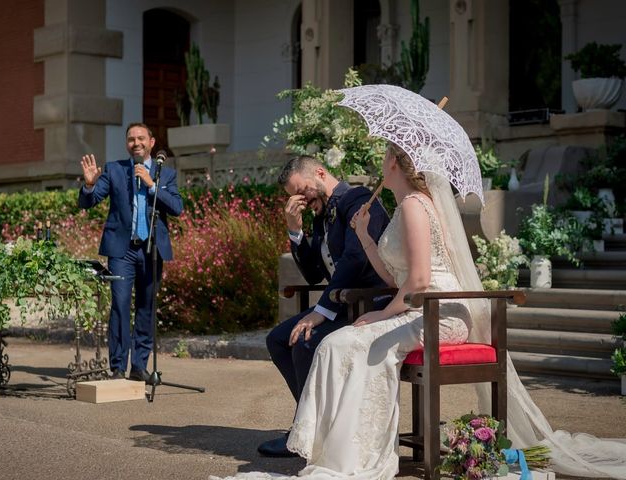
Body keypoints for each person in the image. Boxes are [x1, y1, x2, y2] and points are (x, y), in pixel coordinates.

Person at [212, 143, 626, 480]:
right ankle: (341, 442)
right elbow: (396, 276)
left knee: (343, 343)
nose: (379, 166)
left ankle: (356, 448)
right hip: (417, 305)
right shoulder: (406, 204)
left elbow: (420, 282)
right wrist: (366, 239)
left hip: (437, 311)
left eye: (384, 159)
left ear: (395, 163)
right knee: (340, 344)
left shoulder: (413, 205)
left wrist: (383, 314)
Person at [257, 155, 390, 458]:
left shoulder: (358, 200)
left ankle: (312, 432)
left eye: (302, 191)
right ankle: (309, 424)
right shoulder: (321, 214)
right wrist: (294, 229)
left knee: (304, 342)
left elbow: (356, 259)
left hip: (368, 303)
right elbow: (315, 273)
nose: (301, 200)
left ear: (319, 173)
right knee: (278, 340)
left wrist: (321, 311)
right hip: (340, 303)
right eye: (294, 196)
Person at [78, 122, 183, 383]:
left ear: (151, 142)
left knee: (146, 308)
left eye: (140, 138)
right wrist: (90, 185)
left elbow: (177, 208)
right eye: (130, 139)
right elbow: (89, 202)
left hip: (151, 250)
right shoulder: (114, 169)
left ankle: (138, 366)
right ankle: (117, 367)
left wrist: (151, 184)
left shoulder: (165, 175)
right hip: (122, 251)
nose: (135, 143)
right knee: (121, 306)